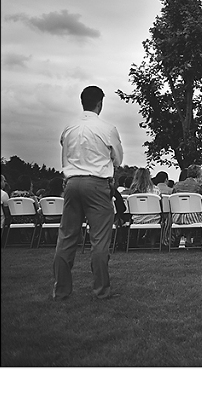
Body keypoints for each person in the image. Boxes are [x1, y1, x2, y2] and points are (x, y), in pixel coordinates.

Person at [53, 85, 123, 301]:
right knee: (99, 238)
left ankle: (61, 290)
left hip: (72, 182)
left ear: (82, 102)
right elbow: (118, 159)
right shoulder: (107, 128)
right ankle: (101, 290)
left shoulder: (69, 128)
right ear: (100, 103)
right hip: (97, 184)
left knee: (67, 237)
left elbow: (64, 150)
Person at [171, 164, 202, 248]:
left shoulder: (176, 186)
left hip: (177, 217)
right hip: (193, 218)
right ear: (199, 174)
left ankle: (185, 239)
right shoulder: (198, 187)